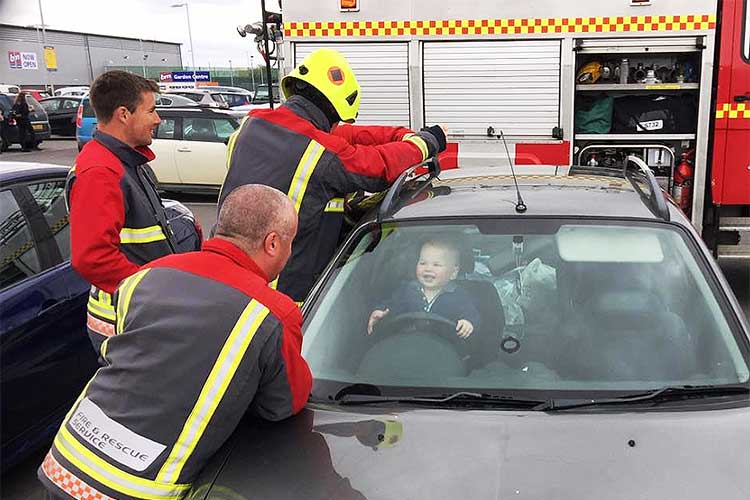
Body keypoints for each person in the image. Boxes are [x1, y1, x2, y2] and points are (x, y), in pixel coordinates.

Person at [38, 185, 313, 500]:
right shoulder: (272, 313)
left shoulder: (145, 276)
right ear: (273, 243)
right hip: (132, 491)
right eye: (291, 243)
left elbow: (132, 354)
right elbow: (281, 405)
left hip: (65, 461)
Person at [220, 48, 448, 303]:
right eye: (338, 121)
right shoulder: (320, 154)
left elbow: (343, 137)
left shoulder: (250, 126)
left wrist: (399, 135)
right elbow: (378, 166)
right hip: (279, 295)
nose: (338, 127)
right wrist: (427, 142)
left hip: (226, 281)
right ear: (333, 112)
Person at [66, 70, 176, 355]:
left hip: (137, 314)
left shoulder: (124, 162)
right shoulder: (100, 172)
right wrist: (156, 292)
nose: (157, 119)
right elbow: (92, 258)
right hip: (125, 322)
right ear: (124, 114)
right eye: (151, 110)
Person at [368, 238, 480, 338]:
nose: (428, 269)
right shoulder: (407, 290)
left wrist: (468, 322)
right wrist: (380, 311)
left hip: (444, 349)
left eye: (436, 265)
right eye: (422, 263)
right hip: (408, 344)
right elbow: (391, 305)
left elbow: (471, 313)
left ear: (453, 272)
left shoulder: (459, 296)